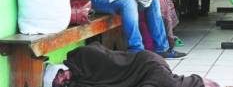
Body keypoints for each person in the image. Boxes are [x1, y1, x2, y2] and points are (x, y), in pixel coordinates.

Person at [44, 42, 220, 87]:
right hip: (138, 78)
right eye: (58, 83)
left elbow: (104, 57)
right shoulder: (78, 79)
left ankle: (201, 82)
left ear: (62, 69)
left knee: (172, 84)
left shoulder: (83, 56)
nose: (62, 79)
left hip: (145, 65)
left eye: (60, 74)